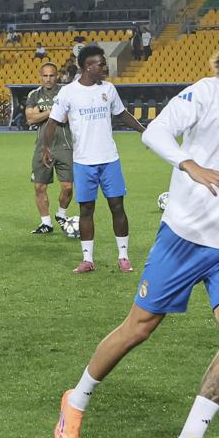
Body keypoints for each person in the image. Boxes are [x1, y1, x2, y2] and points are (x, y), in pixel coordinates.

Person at [53, 14, 219, 438]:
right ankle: (76, 398)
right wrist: (189, 164)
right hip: (183, 238)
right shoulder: (206, 91)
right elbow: (155, 131)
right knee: (138, 327)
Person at [42, 45, 147, 273]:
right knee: (86, 210)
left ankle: (123, 256)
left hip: (109, 159)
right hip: (83, 162)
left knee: (117, 207)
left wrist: (142, 130)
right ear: (88, 67)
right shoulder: (68, 92)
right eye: (101, 64)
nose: (104, 68)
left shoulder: (108, 89)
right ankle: (88, 260)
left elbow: (122, 114)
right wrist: (46, 148)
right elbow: (52, 122)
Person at [24, 62, 77, 236]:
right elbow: (30, 119)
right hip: (42, 147)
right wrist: (53, 111)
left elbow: (69, 117)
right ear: (41, 76)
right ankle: (46, 223)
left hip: (65, 145)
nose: (48, 79)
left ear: (57, 76)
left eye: (51, 75)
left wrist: (41, 113)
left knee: (68, 187)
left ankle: (61, 214)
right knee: (40, 187)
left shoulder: (67, 92)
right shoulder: (34, 94)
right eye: (45, 75)